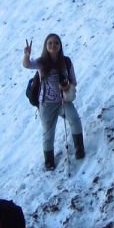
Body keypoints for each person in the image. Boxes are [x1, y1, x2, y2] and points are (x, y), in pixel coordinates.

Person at [22, 33, 85, 170]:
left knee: (74, 119)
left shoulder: (66, 62)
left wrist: (66, 86)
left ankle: (79, 148)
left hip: (63, 100)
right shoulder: (41, 62)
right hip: (46, 104)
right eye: (50, 43)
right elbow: (27, 65)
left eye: (56, 43)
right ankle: (49, 161)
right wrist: (27, 54)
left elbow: (73, 81)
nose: (53, 45)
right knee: (48, 133)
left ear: (60, 45)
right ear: (46, 45)